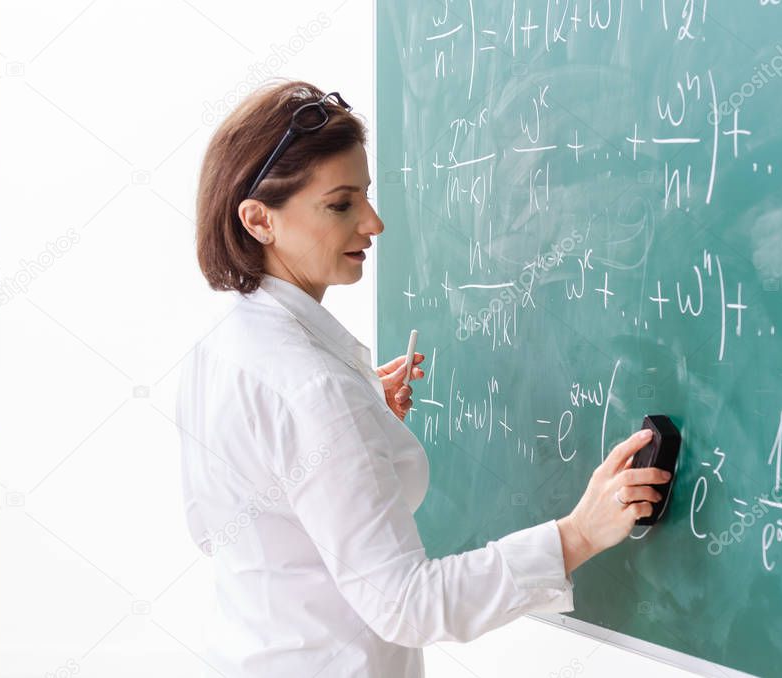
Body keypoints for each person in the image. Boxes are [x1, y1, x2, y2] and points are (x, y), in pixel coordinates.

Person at [175, 80, 671, 677]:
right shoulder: (314, 389)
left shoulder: (222, 347)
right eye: (341, 204)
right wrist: (577, 535)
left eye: (366, 196)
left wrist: (358, 428)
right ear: (259, 220)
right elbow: (406, 606)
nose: (374, 223)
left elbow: (214, 528)